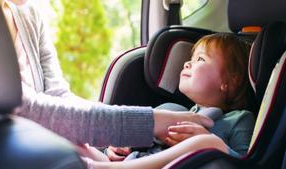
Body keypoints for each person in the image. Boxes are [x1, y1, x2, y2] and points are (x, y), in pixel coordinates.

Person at [0, 0, 213, 150]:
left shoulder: (30, 16)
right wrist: (150, 123)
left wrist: (112, 138)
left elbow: (58, 96)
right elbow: (25, 108)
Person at [81, 33, 256, 168]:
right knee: (77, 146)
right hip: (131, 162)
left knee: (207, 142)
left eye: (200, 59)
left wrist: (207, 142)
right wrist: (118, 148)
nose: (187, 63)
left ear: (230, 81)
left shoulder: (239, 119)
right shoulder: (172, 111)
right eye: (191, 58)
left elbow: (242, 163)